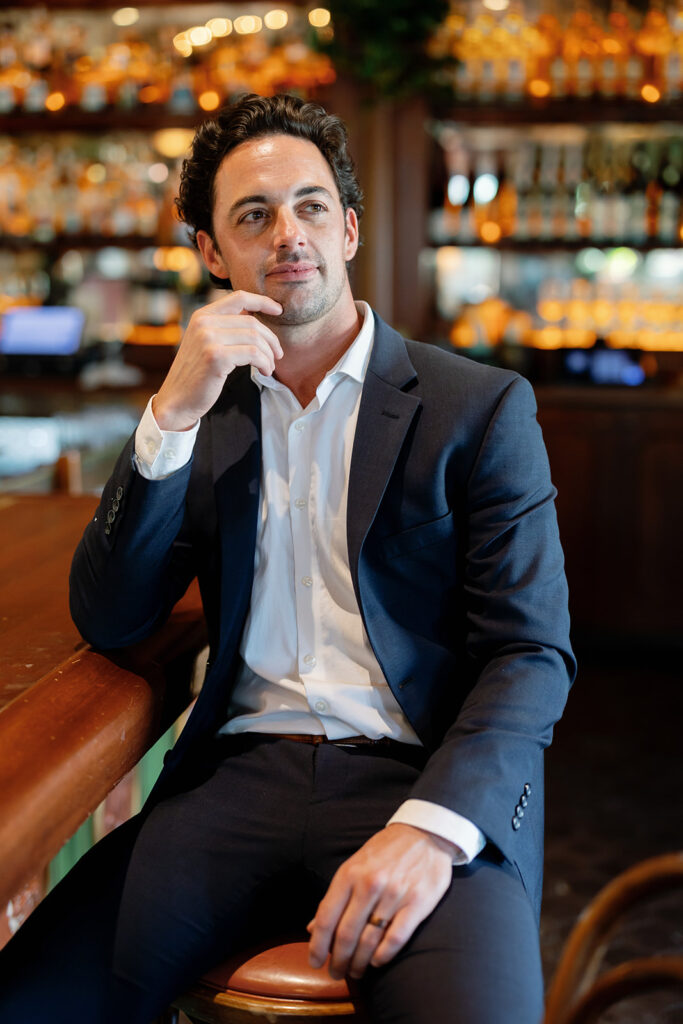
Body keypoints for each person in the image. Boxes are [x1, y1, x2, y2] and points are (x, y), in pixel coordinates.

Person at [0, 93, 575, 1023]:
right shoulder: (208, 414)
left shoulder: (476, 407)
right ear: (210, 253)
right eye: (252, 216)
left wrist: (430, 832)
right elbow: (111, 614)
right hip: (234, 779)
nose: (287, 235)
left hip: (417, 776)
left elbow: (530, 654)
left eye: (310, 206)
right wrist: (170, 414)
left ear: (348, 229)